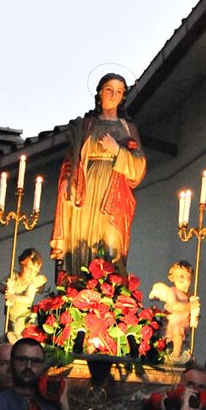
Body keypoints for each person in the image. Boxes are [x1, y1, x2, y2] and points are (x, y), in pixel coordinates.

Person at [49, 73, 145, 276]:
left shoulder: (128, 128)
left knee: (111, 245)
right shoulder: (86, 125)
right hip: (85, 190)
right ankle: (80, 285)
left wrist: (117, 150)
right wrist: (66, 181)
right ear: (100, 93)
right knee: (82, 242)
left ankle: (111, 287)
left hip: (114, 193)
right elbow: (71, 160)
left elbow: (139, 168)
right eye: (109, 90)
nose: (113, 95)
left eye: (119, 92)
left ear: (123, 97)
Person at [149, 261, 200, 363]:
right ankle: (170, 355)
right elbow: (174, 306)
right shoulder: (172, 291)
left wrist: (195, 316)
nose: (181, 278)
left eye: (184, 274)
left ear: (192, 277)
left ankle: (176, 355)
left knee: (179, 334)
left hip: (183, 322)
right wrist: (190, 306)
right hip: (172, 320)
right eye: (177, 276)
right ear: (172, 278)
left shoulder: (191, 297)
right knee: (172, 334)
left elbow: (194, 314)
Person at [0, 248, 48, 342]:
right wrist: (6, 287)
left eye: (35, 271)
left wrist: (14, 297)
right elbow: (0, 284)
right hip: (11, 315)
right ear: (21, 265)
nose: (31, 274)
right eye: (29, 269)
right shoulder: (13, 276)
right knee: (9, 334)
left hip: (23, 316)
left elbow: (28, 299)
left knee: (18, 334)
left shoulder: (31, 284)